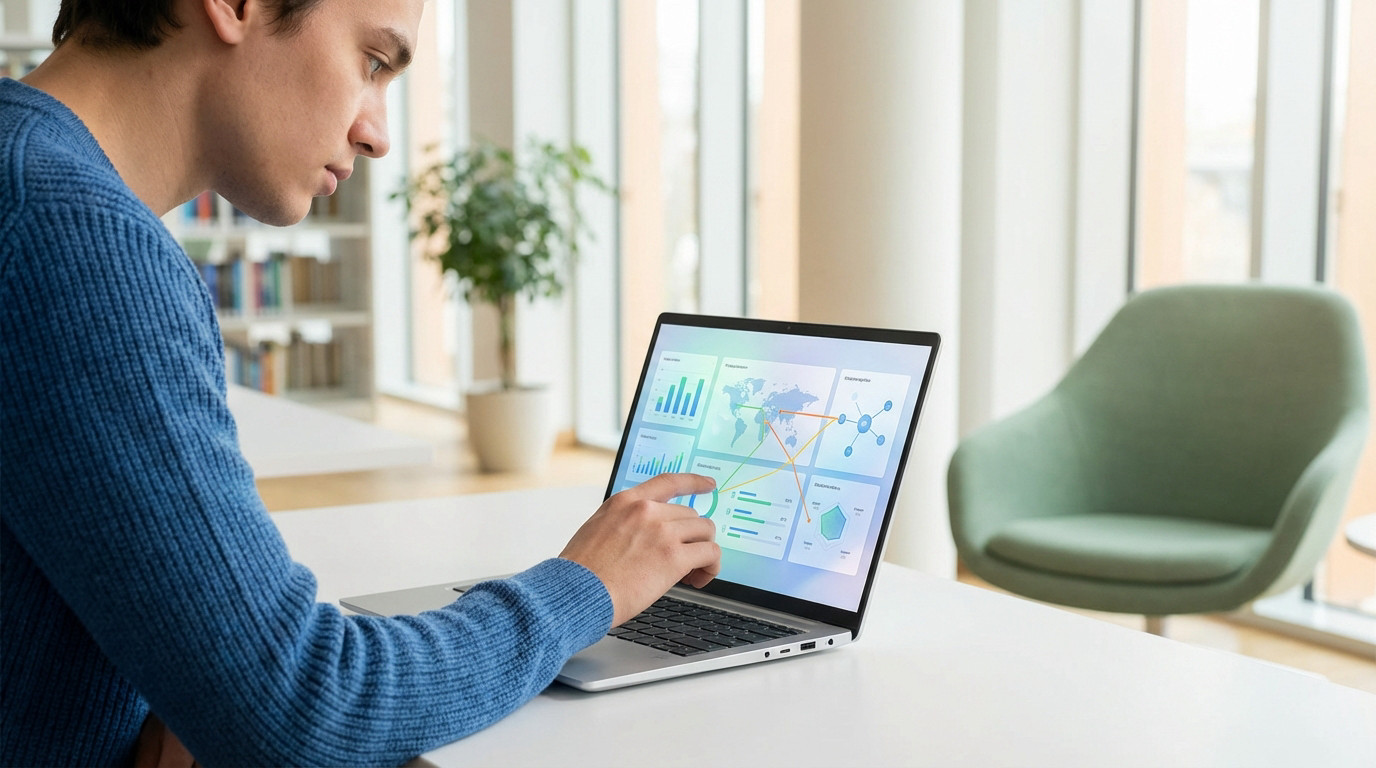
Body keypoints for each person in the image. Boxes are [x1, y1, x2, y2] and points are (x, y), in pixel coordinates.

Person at [0, 1, 721, 764]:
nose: (377, 133)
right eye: (373, 63)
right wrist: (586, 587)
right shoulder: (72, 237)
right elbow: (304, 707)